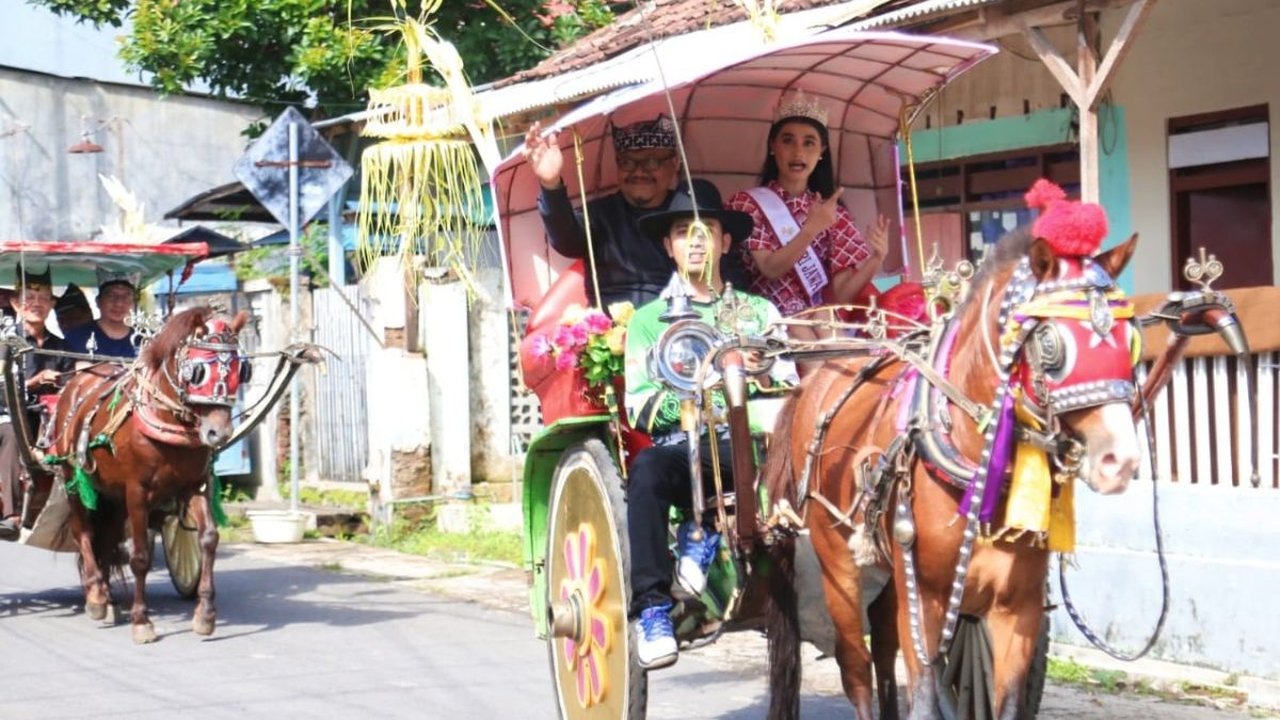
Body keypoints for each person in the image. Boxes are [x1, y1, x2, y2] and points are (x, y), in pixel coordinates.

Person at [623, 181, 797, 669]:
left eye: (707, 231)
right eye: (683, 231)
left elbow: (786, 382)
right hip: (685, 445)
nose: (696, 240)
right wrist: (706, 393)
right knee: (648, 473)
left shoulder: (760, 312)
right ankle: (655, 608)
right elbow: (639, 404)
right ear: (669, 245)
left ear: (725, 242)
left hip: (759, 446)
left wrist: (745, 377)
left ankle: (704, 540)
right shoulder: (647, 321)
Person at [522, 113, 748, 309]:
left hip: (688, 329)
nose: (639, 172)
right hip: (617, 338)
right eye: (628, 163)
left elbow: (732, 281)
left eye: (651, 163)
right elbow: (567, 241)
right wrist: (551, 184)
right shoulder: (600, 214)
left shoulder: (692, 211)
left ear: (675, 163)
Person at [726, 91, 890, 343]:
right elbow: (770, 269)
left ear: (822, 150)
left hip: (818, 317)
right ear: (773, 146)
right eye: (788, 141)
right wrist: (810, 230)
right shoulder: (746, 204)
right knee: (809, 343)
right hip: (763, 316)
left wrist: (877, 259)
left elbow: (840, 296)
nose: (798, 152)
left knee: (841, 348)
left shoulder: (834, 213)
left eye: (809, 143)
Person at [0, 268, 73, 540]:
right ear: (16, 304)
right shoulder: (5, 343)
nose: (36, 303)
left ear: (52, 304)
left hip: (52, 417)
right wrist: (32, 383)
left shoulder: (61, 346)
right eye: (29, 297)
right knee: (10, 433)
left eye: (43, 298)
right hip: (10, 414)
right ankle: (11, 514)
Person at [64, 270, 141, 362]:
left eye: (126, 297)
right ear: (98, 301)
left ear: (134, 304)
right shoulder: (76, 337)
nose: (119, 303)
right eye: (111, 295)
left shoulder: (145, 340)